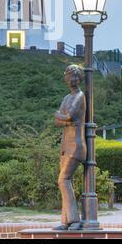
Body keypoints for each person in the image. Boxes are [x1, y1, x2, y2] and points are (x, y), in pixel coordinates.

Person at [54, 64, 87, 231]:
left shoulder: (80, 96)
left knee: (63, 180)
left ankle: (74, 220)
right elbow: (57, 121)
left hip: (76, 145)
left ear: (79, 78)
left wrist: (63, 117)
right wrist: (63, 118)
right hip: (65, 144)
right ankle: (65, 220)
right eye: (69, 76)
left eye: (75, 76)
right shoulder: (66, 98)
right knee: (65, 181)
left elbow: (68, 116)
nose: (72, 80)